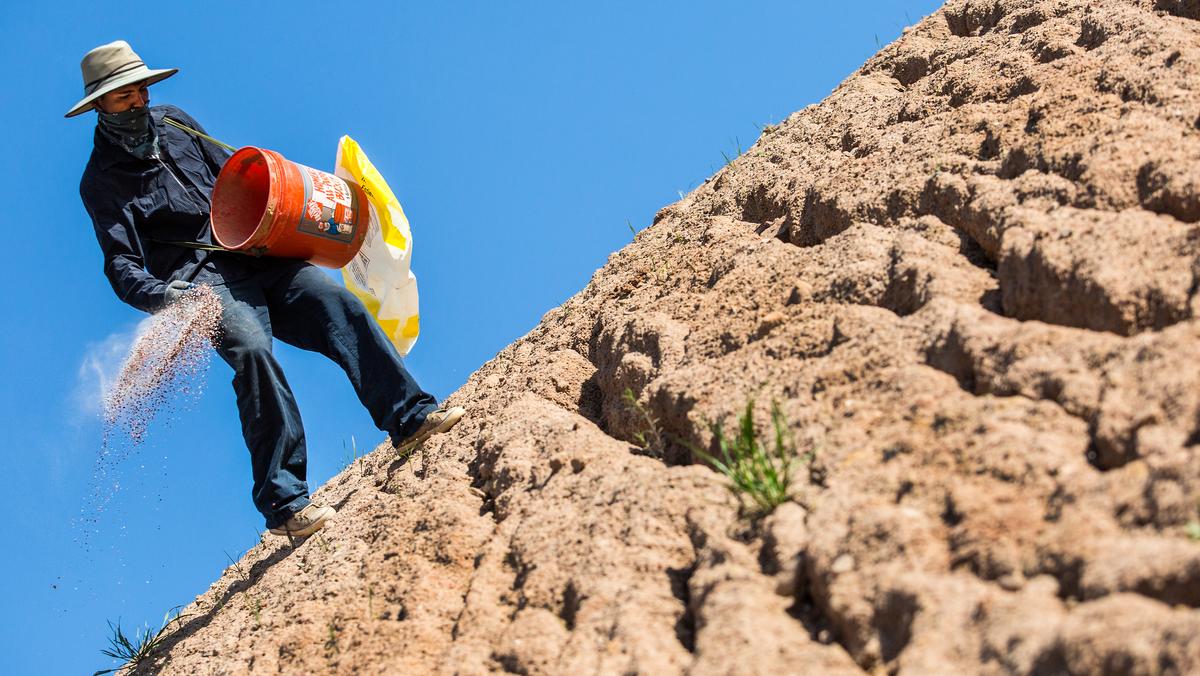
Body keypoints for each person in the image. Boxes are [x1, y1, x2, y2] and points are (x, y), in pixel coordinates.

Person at [68, 40, 464, 538]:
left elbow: (234, 177)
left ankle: (410, 418)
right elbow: (121, 266)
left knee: (339, 306)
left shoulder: (174, 121)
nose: (139, 100)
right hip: (202, 282)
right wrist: (167, 298)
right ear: (99, 105)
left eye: (142, 88)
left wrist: (290, 204)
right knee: (254, 353)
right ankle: (286, 504)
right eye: (125, 95)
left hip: (260, 251)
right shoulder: (100, 182)